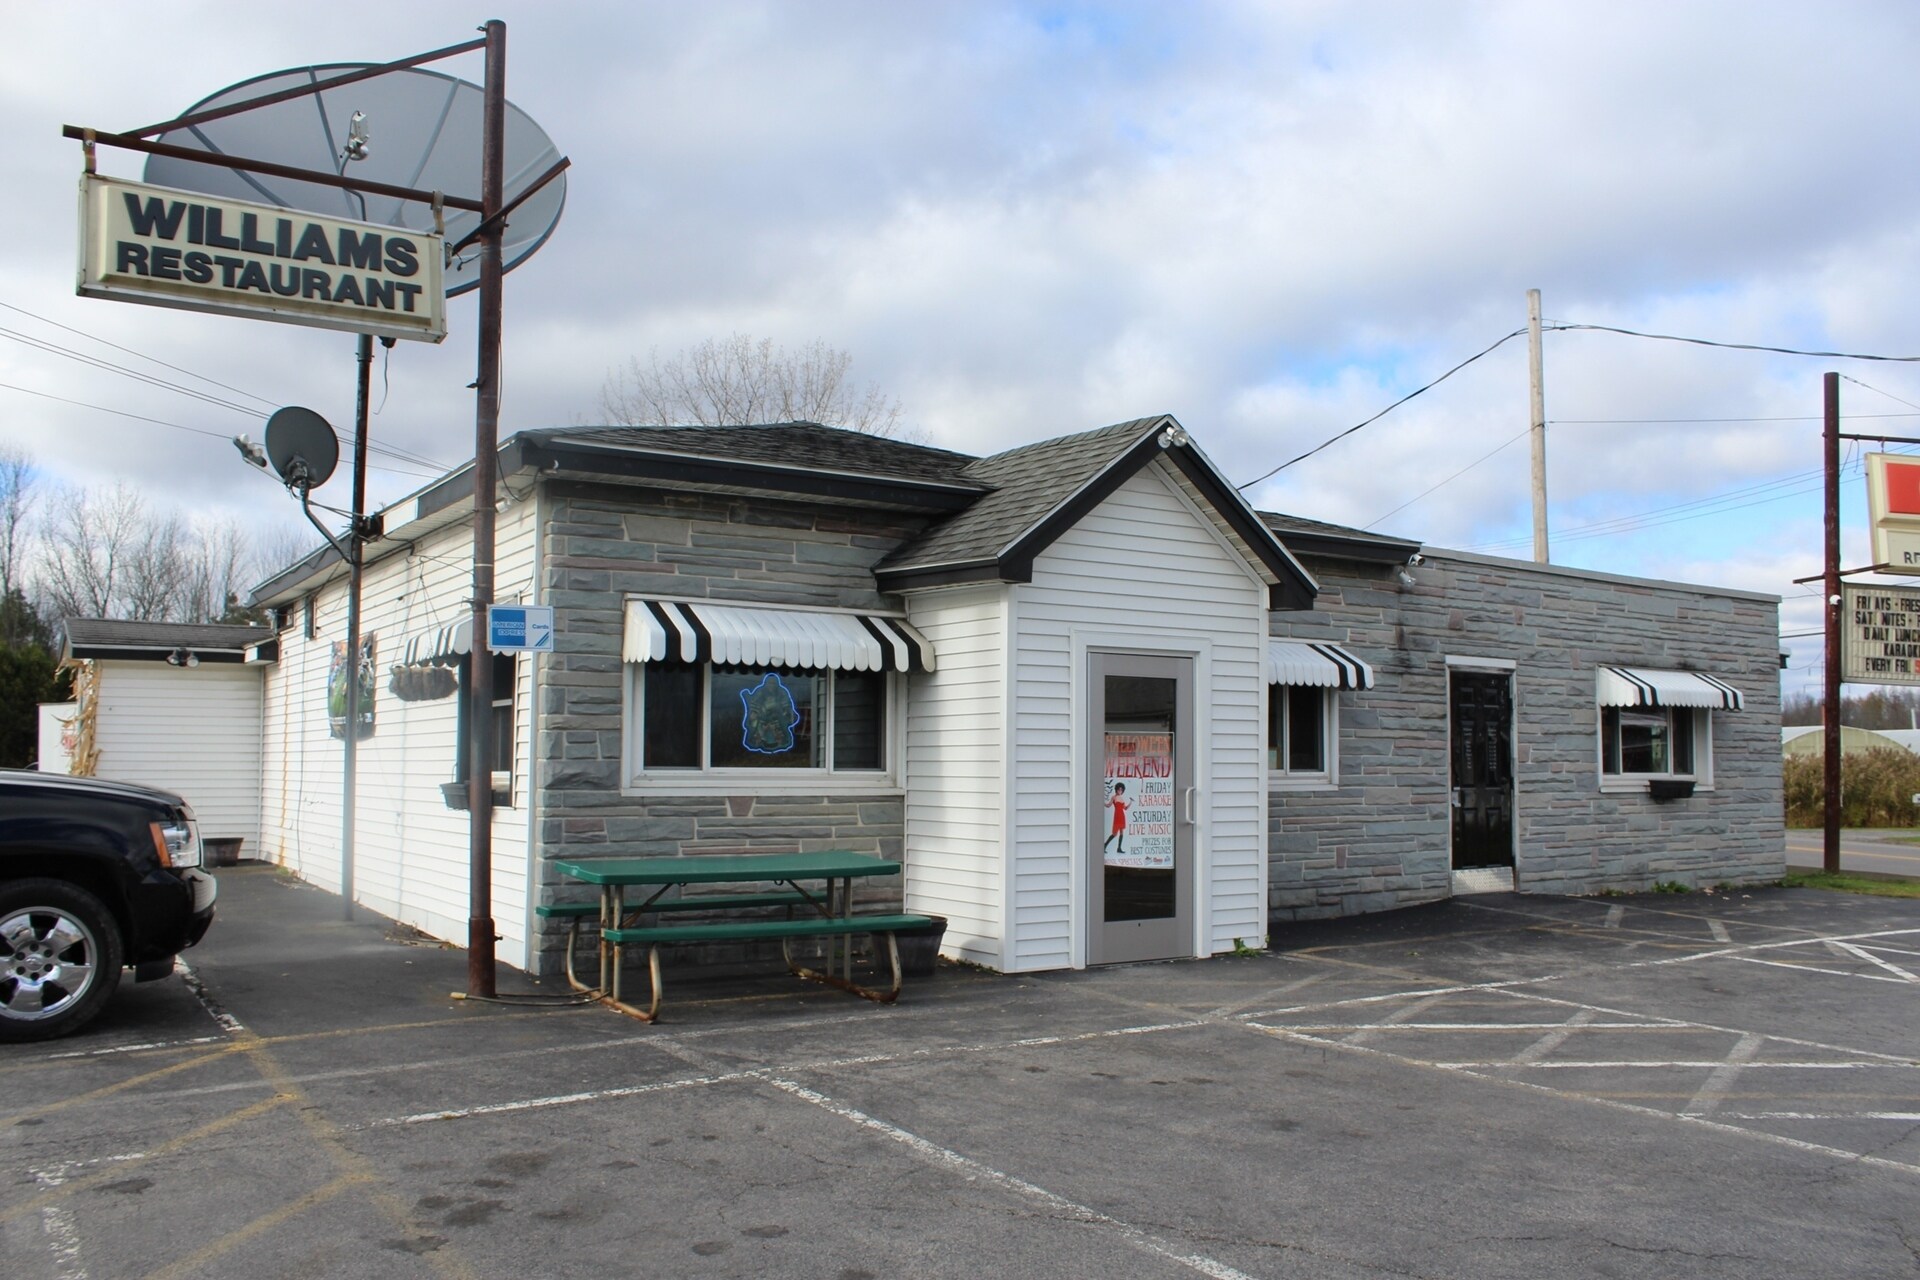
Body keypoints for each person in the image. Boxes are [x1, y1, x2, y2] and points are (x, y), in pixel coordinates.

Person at [1103, 782, 1130, 856]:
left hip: (1122, 816)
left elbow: (1125, 808)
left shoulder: (1122, 798)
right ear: (1116, 789)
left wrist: (1131, 802)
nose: (1120, 791)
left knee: (1121, 832)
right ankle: (1104, 845)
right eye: (1119, 789)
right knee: (1114, 834)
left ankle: (1119, 848)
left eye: (1121, 790)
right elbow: (1108, 805)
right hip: (1117, 816)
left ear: (1123, 790)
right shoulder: (1114, 797)